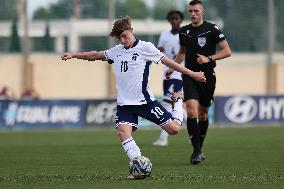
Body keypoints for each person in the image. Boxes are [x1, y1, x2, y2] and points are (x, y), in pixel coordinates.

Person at [61, 16, 206, 179]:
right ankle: (139, 165)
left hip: (145, 102)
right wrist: (74, 54)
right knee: (123, 131)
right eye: (119, 38)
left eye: (125, 36)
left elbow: (170, 63)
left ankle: (177, 101)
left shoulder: (146, 47)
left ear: (131, 31)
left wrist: (192, 74)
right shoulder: (116, 51)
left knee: (174, 130)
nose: (123, 40)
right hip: (125, 104)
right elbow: (95, 55)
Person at [166, 0, 231, 165]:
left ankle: (198, 148)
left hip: (208, 77)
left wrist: (209, 58)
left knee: (203, 114)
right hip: (189, 76)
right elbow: (182, 53)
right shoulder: (184, 31)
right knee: (192, 112)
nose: (193, 14)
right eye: (190, 11)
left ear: (202, 12)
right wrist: (173, 67)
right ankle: (196, 152)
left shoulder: (212, 29)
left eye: (196, 11)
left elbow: (227, 51)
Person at [152, 10, 185, 146]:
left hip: (178, 74)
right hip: (167, 74)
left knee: (168, 103)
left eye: (177, 18)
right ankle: (193, 133)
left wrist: (174, 67)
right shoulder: (164, 34)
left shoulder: (184, 34)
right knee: (176, 104)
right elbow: (160, 48)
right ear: (169, 20)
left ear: (181, 20)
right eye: (172, 19)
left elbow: (183, 53)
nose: (174, 21)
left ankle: (163, 138)